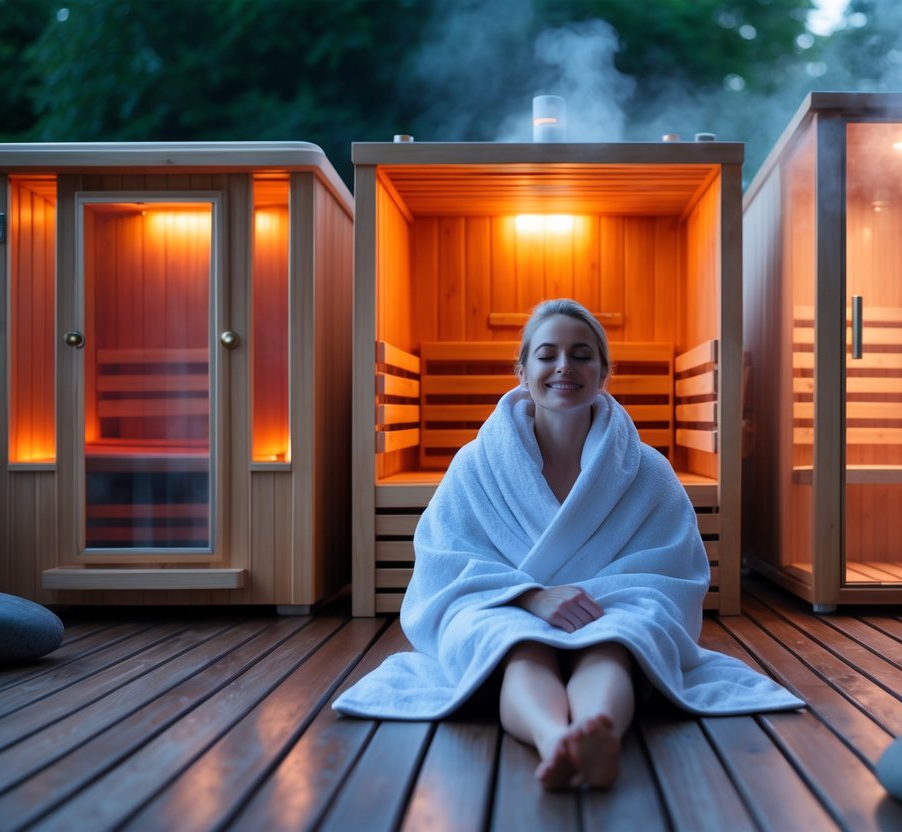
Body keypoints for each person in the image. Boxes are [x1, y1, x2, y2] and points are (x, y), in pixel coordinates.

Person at [333, 299, 802, 789]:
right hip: (504, 603)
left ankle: (594, 731)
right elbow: (444, 560)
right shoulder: (477, 464)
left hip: (607, 605)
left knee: (616, 642)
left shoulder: (646, 470)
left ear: (604, 372)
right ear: (522, 369)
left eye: (581, 355)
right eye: (547, 354)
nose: (564, 366)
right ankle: (555, 737)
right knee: (516, 644)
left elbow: (672, 571)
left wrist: (603, 600)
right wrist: (529, 597)